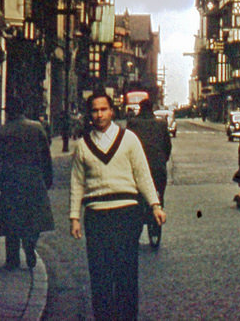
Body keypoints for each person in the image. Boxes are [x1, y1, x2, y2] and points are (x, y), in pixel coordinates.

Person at [70, 91, 165, 320]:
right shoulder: (83, 146)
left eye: (104, 109)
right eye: (95, 110)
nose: (99, 114)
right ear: (90, 114)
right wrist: (74, 217)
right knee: (100, 276)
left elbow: (142, 174)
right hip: (97, 218)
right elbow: (77, 183)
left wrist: (155, 205)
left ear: (112, 111)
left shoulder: (129, 139)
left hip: (125, 215)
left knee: (125, 275)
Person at [0, 100, 54, 270]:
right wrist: (47, 179)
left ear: (8, 113)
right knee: (32, 218)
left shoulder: (3, 131)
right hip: (33, 179)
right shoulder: (37, 128)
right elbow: (46, 157)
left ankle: (12, 259)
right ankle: (29, 245)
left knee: (11, 221)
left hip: (10, 182)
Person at [126, 98, 172, 209]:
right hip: (157, 167)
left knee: (137, 200)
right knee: (158, 193)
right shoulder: (161, 124)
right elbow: (167, 147)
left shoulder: (132, 124)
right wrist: (162, 159)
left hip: (137, 167)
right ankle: (158, 209)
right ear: (152, 108)